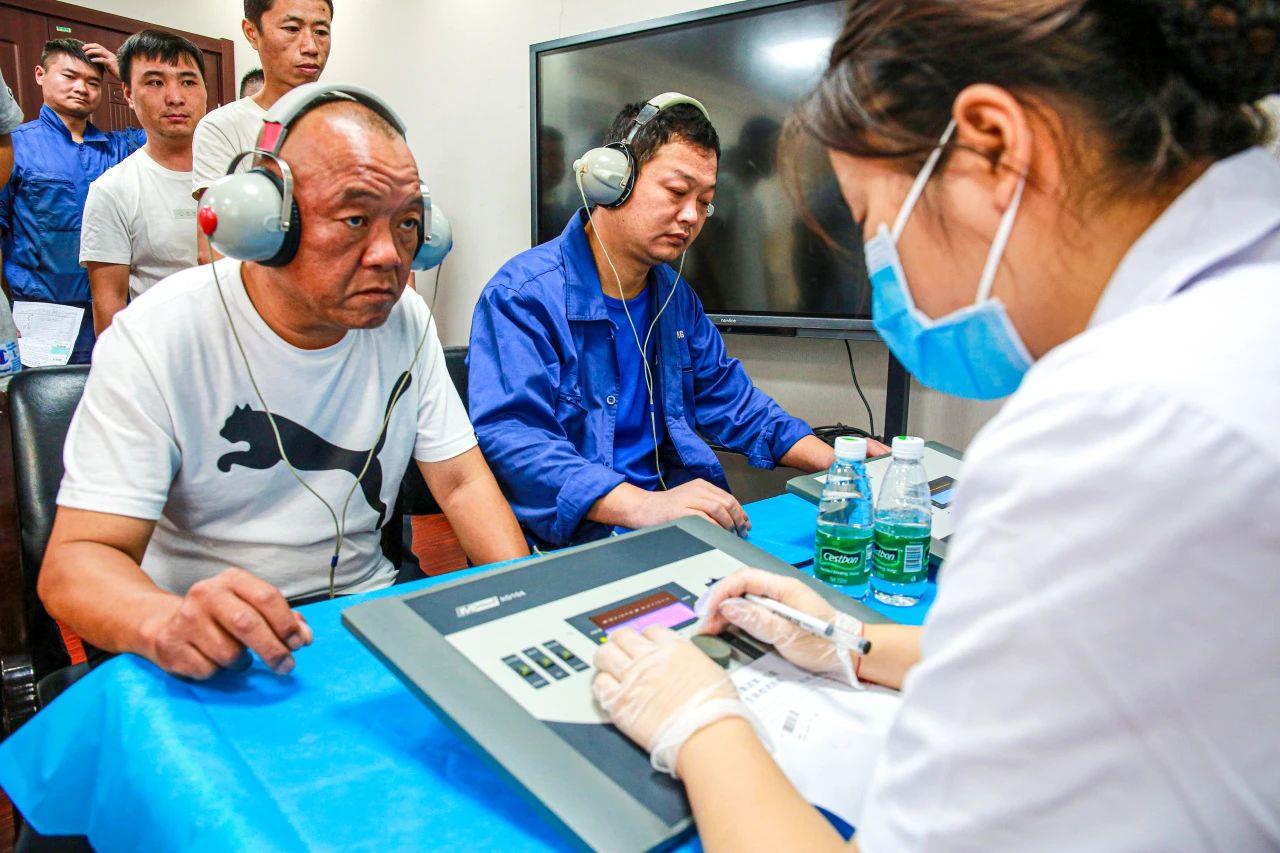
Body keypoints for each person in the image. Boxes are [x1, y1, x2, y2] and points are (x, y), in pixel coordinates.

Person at [591, 0, 1280, 849]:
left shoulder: (1119, 427)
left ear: (991, 147)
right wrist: (852, 642)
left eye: (871, 221)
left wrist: (700, 721)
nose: (881, 268)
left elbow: (737, 403)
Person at [38, 91, 529, 681]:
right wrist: (164, 622)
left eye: (406, 224)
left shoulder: (406, 319)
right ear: (266, 223)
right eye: (354, 220)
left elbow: (461, 482)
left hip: (368, 608)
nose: (389, 255)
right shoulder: (158, 334)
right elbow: (77, 563)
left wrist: (526, 605)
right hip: (213, 639)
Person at [469, 97, 886, 551]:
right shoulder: (523, 296)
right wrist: (641, 506)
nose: (691, 216)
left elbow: (732, 401)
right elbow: (515, 440)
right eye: (676, 192)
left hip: (667, 525)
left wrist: (837, 463)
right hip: (574, 542)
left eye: (704, 202)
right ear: (615, 180)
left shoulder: (673, 296)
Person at [0, 39, 144, 364]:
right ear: (40, 74)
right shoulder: (16, 148)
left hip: (113, 313)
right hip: (41, 319)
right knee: (44, 397)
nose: (82, 88)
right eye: (69, 76)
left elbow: (181, 132)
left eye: (93, 82)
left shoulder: (120, 148)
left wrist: (128, 75)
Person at [80, 30, 208, 334]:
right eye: (155, 82)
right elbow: (109, 305)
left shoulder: (242, 170)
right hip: (164, 352)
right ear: (127, 93)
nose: (175, 97)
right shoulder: (112, 190)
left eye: (188, 82)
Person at [192, 0, 332, 263]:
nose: (311, 47)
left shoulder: (350, 121)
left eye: (321, 32)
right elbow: (214, 252)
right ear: (251, 32)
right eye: (292, 29)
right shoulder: (222, 127)